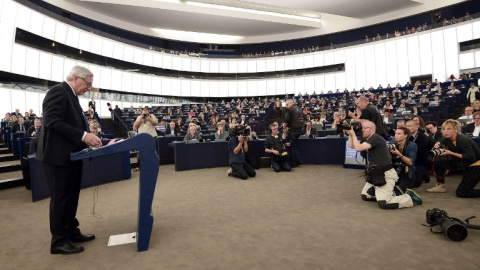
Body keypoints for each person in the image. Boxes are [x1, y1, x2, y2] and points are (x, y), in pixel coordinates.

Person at [36, 66, 102, 255]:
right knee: (61, 199)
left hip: (72, 157)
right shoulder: (57, 92)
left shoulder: (71, 96)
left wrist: (88, 137)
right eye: (87, 84)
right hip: (57, 158)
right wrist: (84, 136)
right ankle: (59, 241)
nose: (89, 88)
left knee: (71, 197)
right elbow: (52, 122)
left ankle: (72, 232)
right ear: (75, 78)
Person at [345, 120, 422, 209]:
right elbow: (351, 146)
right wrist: (351, 134)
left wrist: (353, 134)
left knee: (384, 203)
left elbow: (358, 148)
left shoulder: (375, 138)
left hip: (385, 174)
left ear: (372, 130)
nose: (362, 130)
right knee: (366, 195)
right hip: (375, 173)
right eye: (362, 128)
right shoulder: (369, 139)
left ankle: (409, 198)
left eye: (365, 128)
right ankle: (390, 193)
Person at [428, 119, 480, 197]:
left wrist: (451, 153)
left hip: (475, 166)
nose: (446, 131)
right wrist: (438, 144)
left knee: (461, 193)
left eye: (449, 129)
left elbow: (470, 157)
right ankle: (440, 185)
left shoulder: (462, 139)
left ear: (456, 130)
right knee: (439, 162)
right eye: (444, 129)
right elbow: (441, 145)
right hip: (463, 163)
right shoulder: (447, 139)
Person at [389, 127, 417, 193]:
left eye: (399, 134)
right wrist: (388, 151)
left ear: (406, 135)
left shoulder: (412, 145)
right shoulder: (393, 143)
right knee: (389, 189)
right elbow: (390, 159)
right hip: (395, 169)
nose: (396, 135)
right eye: (395, 133)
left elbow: (411, 163)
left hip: (407, 171)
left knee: (401, 191)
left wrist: (399, 154)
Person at [406, 120, 430, 187]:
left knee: (415, 184)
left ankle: (424, 174)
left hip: (419, 162)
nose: (408, 128)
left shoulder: (422, 137)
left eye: (410, 126)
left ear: (417, 127)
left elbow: (418, 150)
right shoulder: (406, 136)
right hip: (407, 161)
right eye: (407, 126)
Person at [283, 99, 304, 167]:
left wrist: (284, 128)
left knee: (290, 146)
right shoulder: (299, 108)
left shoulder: (290, 109)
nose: (286, 106)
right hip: (300, 130)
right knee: (293, 146)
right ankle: (298, 161)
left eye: (287, 104)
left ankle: (293, 163)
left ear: (291, 103)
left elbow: (286, 120)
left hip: (293, 130)